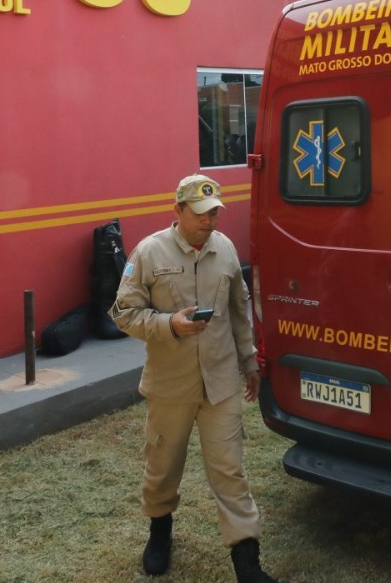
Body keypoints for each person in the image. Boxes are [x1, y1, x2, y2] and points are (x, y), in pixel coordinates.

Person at [111, 174, 280, 583]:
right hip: (171, 386)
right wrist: (170, 323)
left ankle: (247, 561)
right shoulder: (149, 253)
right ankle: (160, 531)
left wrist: (250, 362)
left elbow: (239, 311)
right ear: (179, 211)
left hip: (220, 383)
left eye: (215, 212)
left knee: (230, 470)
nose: (210, 221)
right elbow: (123, 313)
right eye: (201, 214)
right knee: (163, 466)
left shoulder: (225, 249)